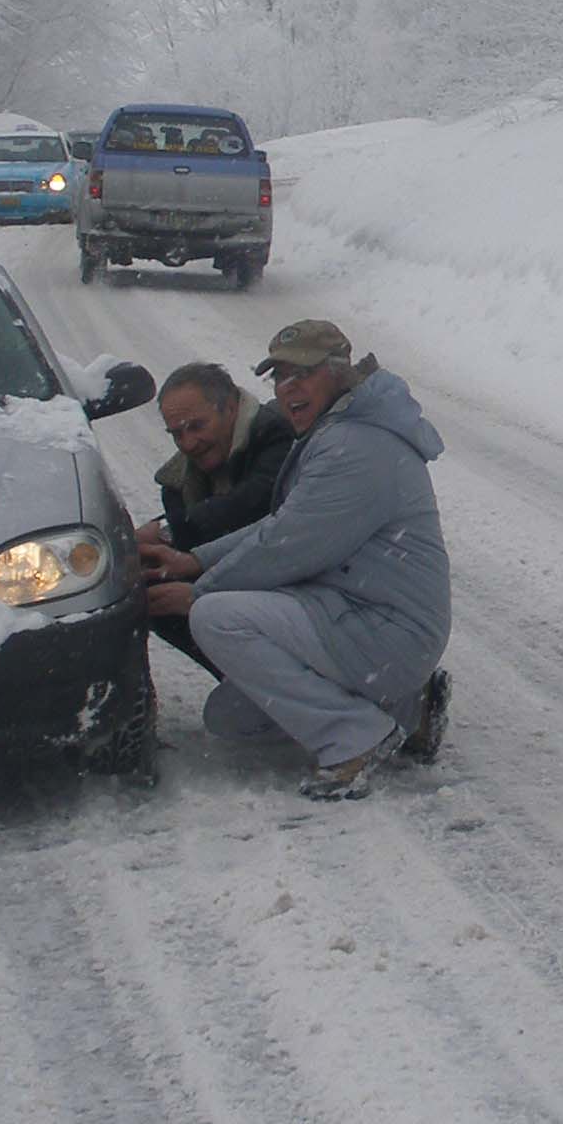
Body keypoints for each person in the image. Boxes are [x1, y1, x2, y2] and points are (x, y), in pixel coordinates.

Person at [141, 320, 454, 798]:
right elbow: (284, 523)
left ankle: (354, 737)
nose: (288, 389)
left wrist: (199, 591)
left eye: (301, 375)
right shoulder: (338, 429)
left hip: (385, 628)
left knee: (217, 618)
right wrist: (195, 561)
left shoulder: (357, 446)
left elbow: (288, 545)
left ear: (338, 372)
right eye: (279, 377)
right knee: (230, 718)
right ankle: (408, 710)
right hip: (360, 616)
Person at [136, 362, 296, 676]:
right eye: (177, 433)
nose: (187, 443)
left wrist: (167, 532)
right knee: (154, 590)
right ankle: (247, 685)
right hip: (247, 580)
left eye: (197, 426)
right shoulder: (178, 481)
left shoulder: (277, 432)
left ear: (232, 408)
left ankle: (280, 687)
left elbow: (254, 506)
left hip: (296, 581)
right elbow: (195, 537)